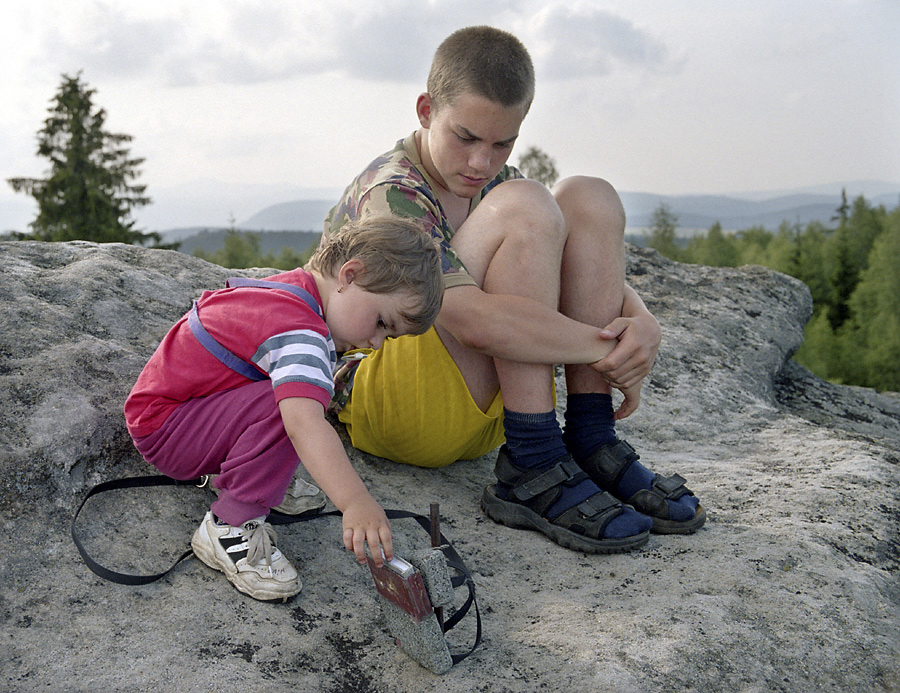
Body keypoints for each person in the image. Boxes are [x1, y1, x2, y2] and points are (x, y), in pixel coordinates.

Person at [323, 26, 705, 555]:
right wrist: (608, 348)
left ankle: (590, 438)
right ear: (426, 109)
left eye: (502, 143)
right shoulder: (393, 192)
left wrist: (640, 322)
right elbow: (473, 322)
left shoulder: (496, 186)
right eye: (466, 137)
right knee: (529, 204)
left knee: (587, 197)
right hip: (393, 406)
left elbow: (578, 270)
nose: (482, 162)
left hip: (482, 410)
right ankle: (533, 461)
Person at [124, 216, 444, 602]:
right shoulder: (302, 332)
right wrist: (356, 501)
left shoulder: (293, 289)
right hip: (170, 430)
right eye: (380, 322)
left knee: (296, 395)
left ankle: (257, 472)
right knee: (295, 407)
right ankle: (230, 524)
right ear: (350, 275)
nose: (375, 343)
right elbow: (303, 425)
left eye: (387, 337)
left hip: (178, 411)